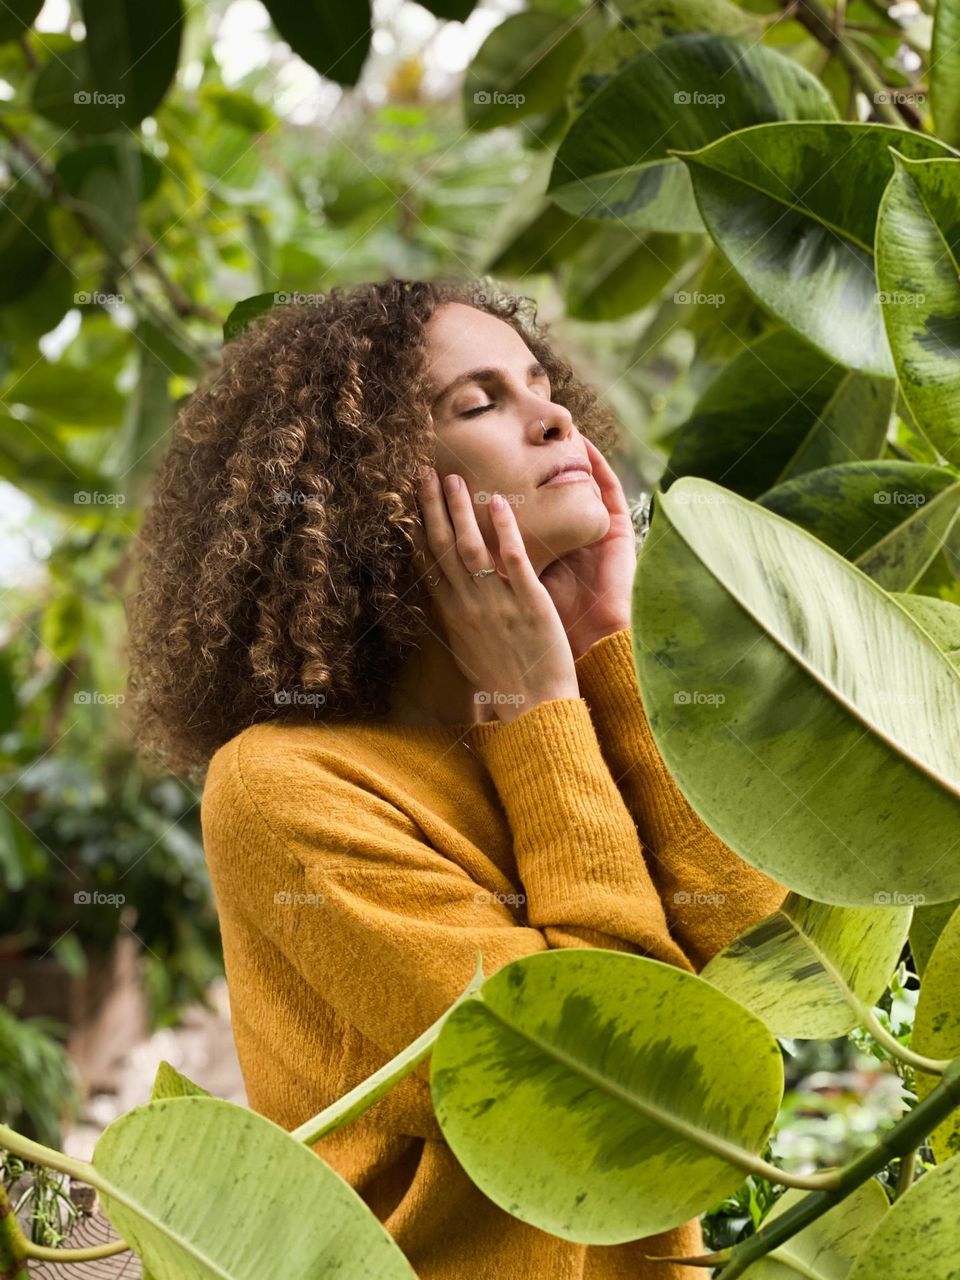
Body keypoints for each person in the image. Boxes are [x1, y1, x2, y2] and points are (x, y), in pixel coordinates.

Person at [126, 275, 787, 1279]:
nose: (552, 413)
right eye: (478, 403)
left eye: (538, 383)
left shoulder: (579, 716)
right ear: (368, 488)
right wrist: (534, 709)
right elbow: (602, 1088)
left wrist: (604, 642)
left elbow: (765, 962)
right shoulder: (283, 786)